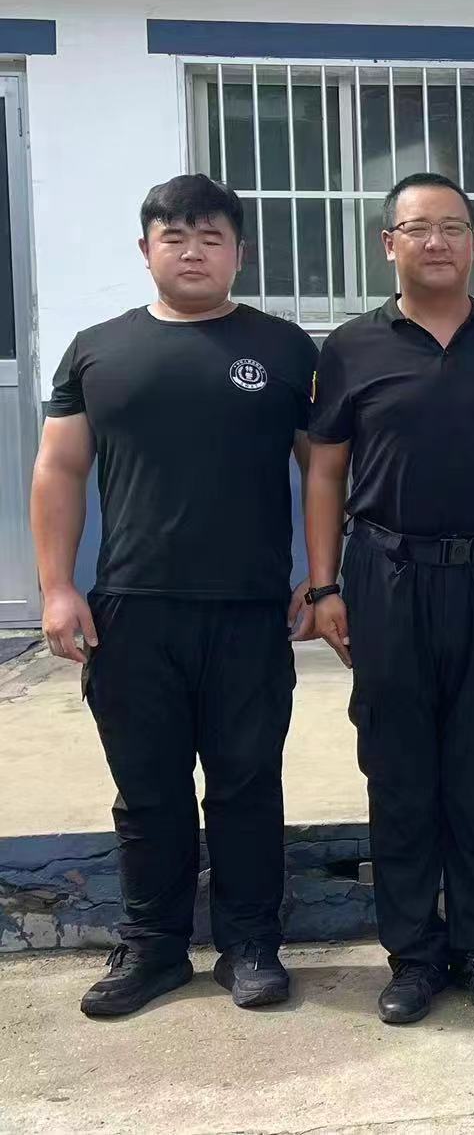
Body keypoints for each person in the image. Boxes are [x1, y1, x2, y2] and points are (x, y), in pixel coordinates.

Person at [30, 174, 317, 1017]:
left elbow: (325, 471)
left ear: (239, 253)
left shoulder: (285, 349)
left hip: (249, 609)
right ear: (145, 248)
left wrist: (322, 573)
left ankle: (251, 945)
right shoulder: (97, 351)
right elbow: (59, 469)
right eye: (175, 236)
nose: (193, 252)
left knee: (246, 784)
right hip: (131, 608)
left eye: (211, 237)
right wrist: (57, 587)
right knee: (148, 787)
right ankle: (153, 948)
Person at [304, 172, 474, 1025]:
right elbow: (326, 474)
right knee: (399, 768)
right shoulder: (351, 348)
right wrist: (325, 585)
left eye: (453, 226)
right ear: (390, 244)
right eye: (419, 228)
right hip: (384, 576)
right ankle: (413, 955)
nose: (437, 241)